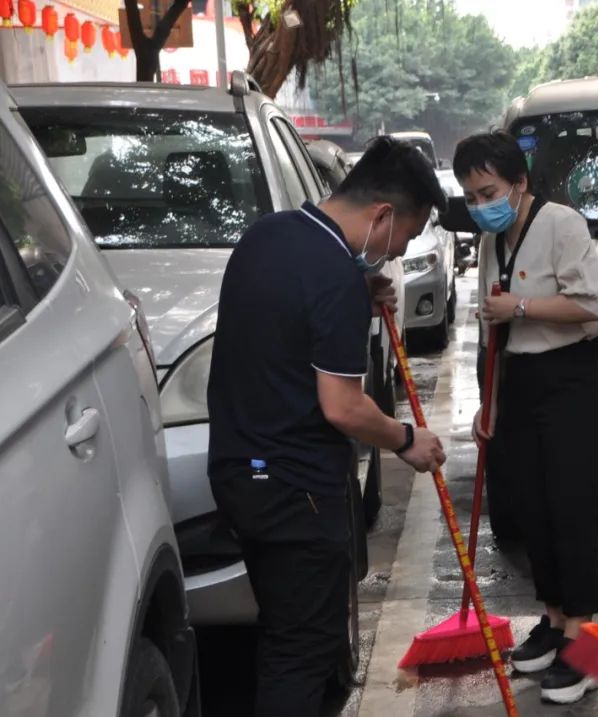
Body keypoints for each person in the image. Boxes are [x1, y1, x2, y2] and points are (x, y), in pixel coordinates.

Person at [206, 137, 448, 717]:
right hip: (296, 490)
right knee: (305, 649)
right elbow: (342, 406)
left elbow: (284, 318)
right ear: (383, 214)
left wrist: (356, 293)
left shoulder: (269, 235)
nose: (395, 254)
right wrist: (407, 439)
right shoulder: (335, 279)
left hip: (242, 471)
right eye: (405, 239)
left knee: (287, 631)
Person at [454, 130, 598, 706]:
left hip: (573, 379)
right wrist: (489, 405)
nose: (480, 205)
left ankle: (584, 639)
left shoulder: (561, 224)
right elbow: (491, 331)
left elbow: (590, 304)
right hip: (519, 380)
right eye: (470, 196)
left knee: (570, 506)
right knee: (532, 508)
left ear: (519, 184)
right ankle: (553, 621)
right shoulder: (493, 237)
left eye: (488, 191)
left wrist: (520, 306)